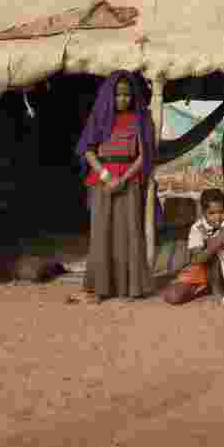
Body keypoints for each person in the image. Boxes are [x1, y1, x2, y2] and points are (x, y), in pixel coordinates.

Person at [71, 71, 156, 303]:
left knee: (129, 233)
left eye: (127, 94)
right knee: (101, 234)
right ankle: (99, 288)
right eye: (118, 94)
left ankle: (130, 288)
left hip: (130, 180)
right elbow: (88, 151)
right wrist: (106, 176)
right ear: (109, 95)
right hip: (102, 180)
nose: (123, 99)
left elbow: (143, 155)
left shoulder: (141, 119)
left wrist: (124, 178)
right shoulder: (99, 117)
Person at [160, 188, 224, 305]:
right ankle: (204, 287)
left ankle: (221, 289)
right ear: (203, 212)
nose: (218, 217)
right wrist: (217, 242)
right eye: (212, 213)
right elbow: (197, 259)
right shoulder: (197, 228)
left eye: (221, 212)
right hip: (203, 269)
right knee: (173, 296)